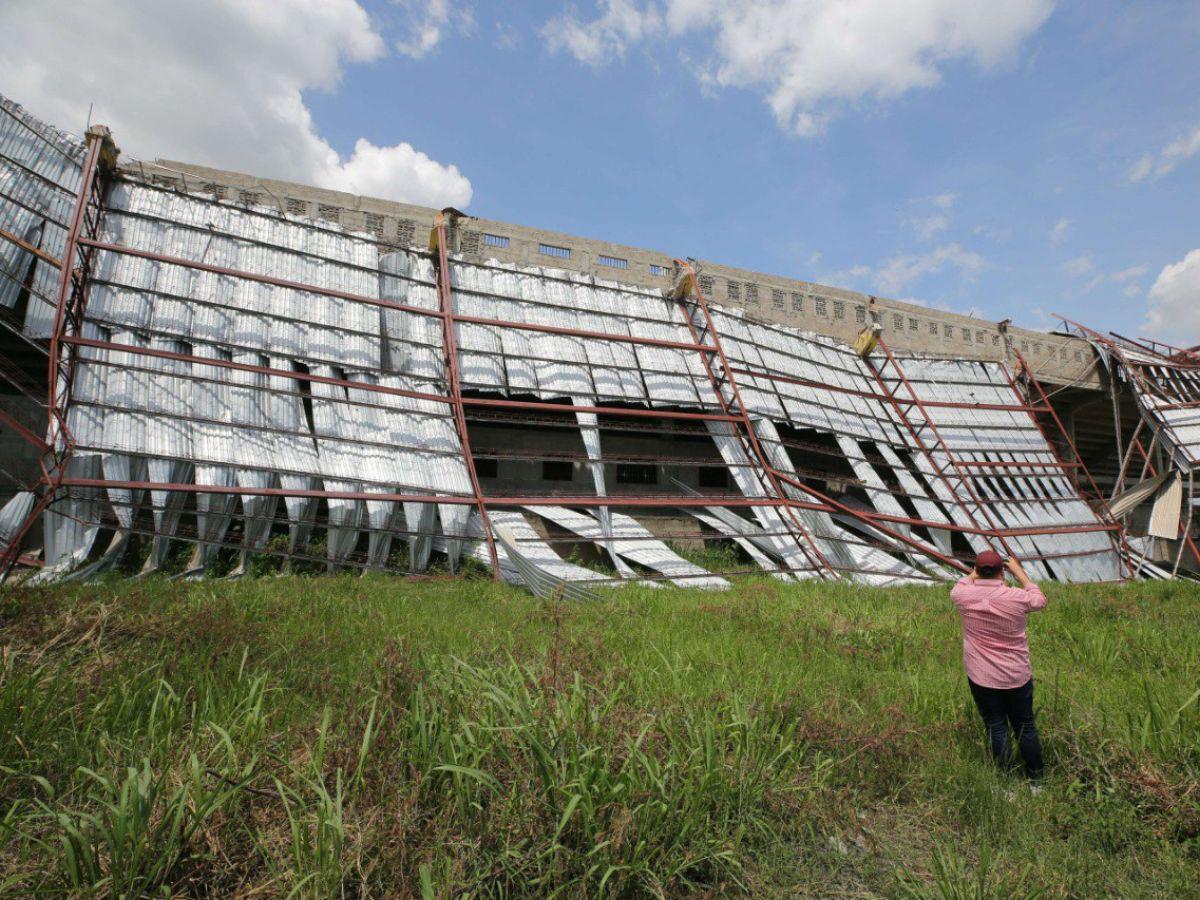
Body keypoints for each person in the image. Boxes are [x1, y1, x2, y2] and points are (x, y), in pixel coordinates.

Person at [950, 550, 1046, 781]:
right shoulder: (1016, 597)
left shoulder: (961, 595)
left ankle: (1005, 781)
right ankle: (1036, 778)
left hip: (982, 676)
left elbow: (961, 584)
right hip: (1016, 674)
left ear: (977, 571)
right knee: (1025, 726)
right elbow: (1039, 600)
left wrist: (976, 572)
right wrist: (1019, 572)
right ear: (1002, 572)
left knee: (996, 726)